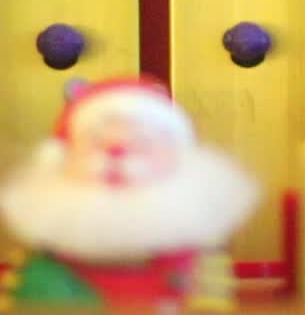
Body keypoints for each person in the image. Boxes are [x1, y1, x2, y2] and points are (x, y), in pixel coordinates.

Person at [0, 79, 257, 309]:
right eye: (97, 143)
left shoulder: (197, 258)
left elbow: (208, 301)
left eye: (143, 143)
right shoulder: (45, 260)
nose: (119, 154)